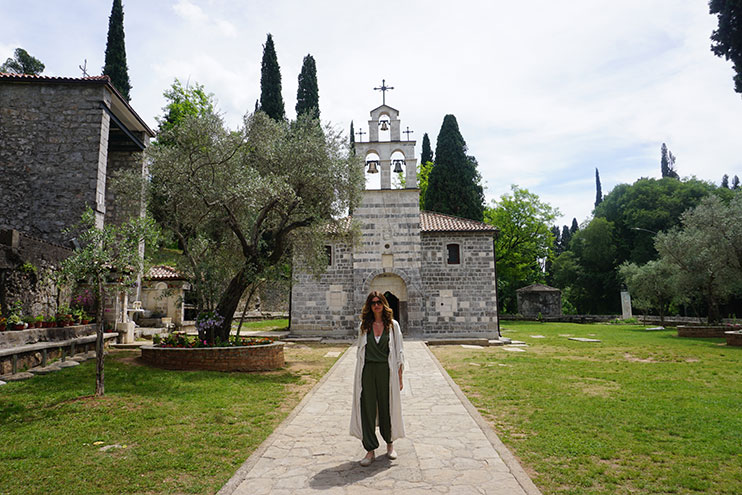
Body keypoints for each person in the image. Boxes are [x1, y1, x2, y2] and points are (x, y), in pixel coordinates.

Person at [349, 291, 405, 467]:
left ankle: (389, 444)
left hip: (385, 370)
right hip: (368, 371)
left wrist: (400, 377)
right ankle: (370, 450)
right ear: (369, 306)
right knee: (367, 408)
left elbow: (399, 353)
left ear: (384, 304)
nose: (376, 305)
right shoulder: (364, 326)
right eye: (373, 303)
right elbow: (360, 352)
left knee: (387, 405)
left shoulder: (393, 325)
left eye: (379, 302)